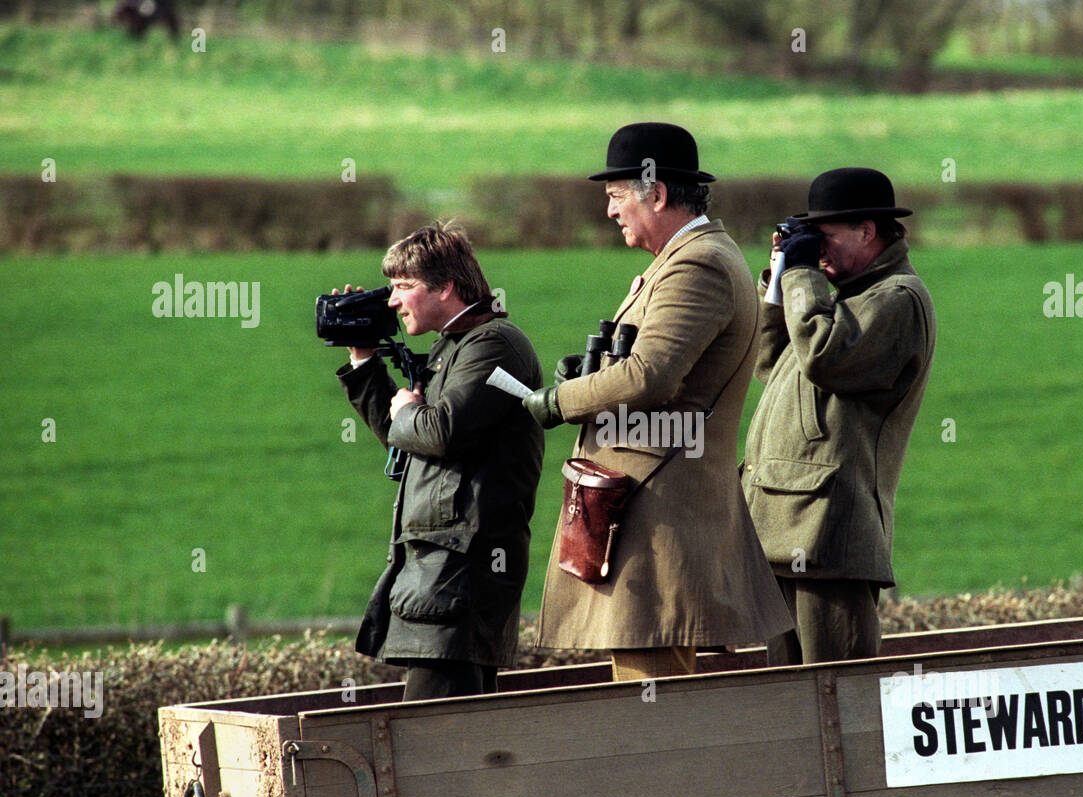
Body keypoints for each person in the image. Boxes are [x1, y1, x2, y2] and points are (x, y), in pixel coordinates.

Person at [523, 122, 792, 682]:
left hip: (659, 515)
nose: (610, 211)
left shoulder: (697, 264)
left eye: (617, 196)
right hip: (648, 506)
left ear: (658, 194)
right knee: (652, 690)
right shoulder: (686, 259)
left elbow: (650, 375)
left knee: (654, 704)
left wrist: (560, 400)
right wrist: (595, 375)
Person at [335, 223, 544, 699]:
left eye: (404, 287)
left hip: (462, 577)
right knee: (454, 741)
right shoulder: (456, 347)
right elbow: (405, 435)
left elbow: (440, 431)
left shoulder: (495, 346)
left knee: (434, 745)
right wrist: (365, 358)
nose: (392, 301)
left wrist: (410, 409)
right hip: (439, 576)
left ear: (446, 287)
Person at [742, 167, 936, 665]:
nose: (818, 250)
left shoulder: (897, 300)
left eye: (825, 237)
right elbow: (771, 362)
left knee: (837, 698)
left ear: (867, 231)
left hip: (831, 536)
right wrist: (783, 271)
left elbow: (824, 355)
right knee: (788, 707)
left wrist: (804, 273)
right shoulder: (843, 295)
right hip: (784, 526)